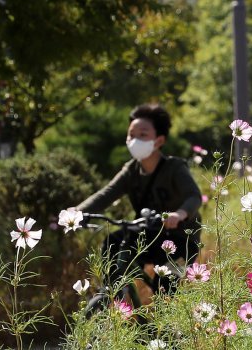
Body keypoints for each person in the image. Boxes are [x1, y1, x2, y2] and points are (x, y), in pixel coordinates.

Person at [76, 104, 202, 293]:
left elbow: (194, 196)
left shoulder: (174, 168)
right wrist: (78, 212)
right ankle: (113, 295)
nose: (134, 140)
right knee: (114, 241)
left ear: (159, 141)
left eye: (142, 135)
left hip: (180, 240)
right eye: (131, 135)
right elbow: (107, 193)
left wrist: (179, 214)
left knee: (164, 291)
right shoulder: (131, 170)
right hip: (149, 235)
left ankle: (163, 317)